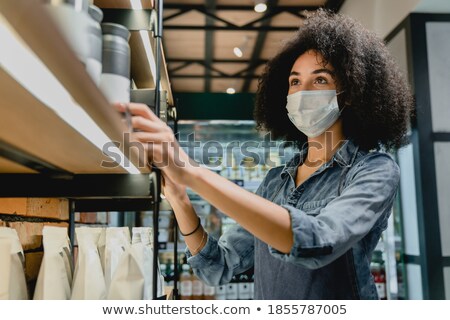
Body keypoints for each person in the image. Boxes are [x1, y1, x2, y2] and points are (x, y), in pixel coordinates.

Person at [116, 10, 414, 299]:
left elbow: (318, 242)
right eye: (295, 82)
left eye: (320, 80)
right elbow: (218, 267)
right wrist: (180, 200)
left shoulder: (373, 170)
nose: (302, 92)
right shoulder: (275, 182)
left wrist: (194, 173)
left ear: (349, 93)